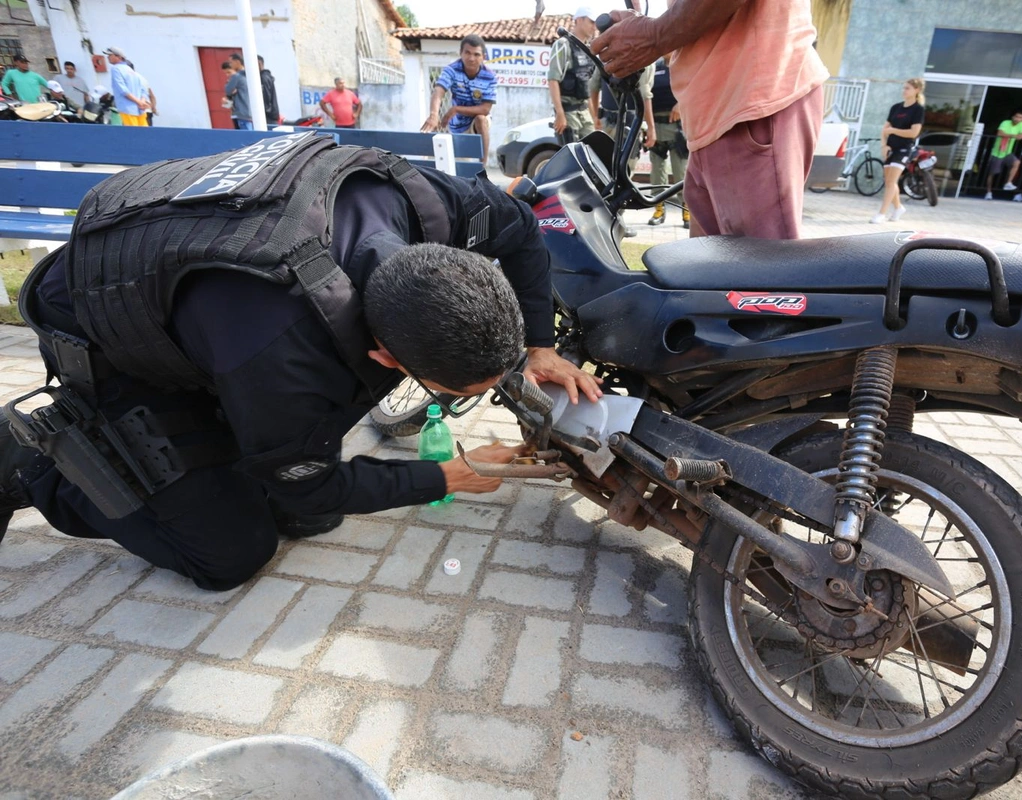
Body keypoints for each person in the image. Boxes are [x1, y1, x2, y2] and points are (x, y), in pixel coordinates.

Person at [0, 136, 601, 591]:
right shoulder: (283, 346)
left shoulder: (432, 208)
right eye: (455, 391)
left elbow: (522, 228)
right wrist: (451, 475)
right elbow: (311, 487)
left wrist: (538, 346)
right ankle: (28, 465)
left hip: (208, 314)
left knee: (295, 498)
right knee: (232, 553)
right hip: (103, 328)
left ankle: (228, 446)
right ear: (387, 354)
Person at [590, 0, 829, 239]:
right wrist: (646, 29)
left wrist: (653, 35)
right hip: (716, 116)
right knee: (710, 269)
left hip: (750, 103)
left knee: (760, 269)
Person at [421, 35, 497, 159]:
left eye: (477, 54)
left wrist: (455, 109)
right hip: (457, 125)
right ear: (460, 53)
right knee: (460, 169)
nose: (471, 58)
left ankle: (482, 165)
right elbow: (438, 91)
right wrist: (434, 115)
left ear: (483, 57)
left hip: (476, 121)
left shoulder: (490, 76)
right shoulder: (451, 70)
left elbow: (485, 109)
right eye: (467, 53)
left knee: (481, 119)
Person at [588, 53, 654, 174]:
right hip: (629, 123)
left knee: (604, 169)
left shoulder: (606, 55)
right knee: (625, 170)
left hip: (607, 120)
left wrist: (596, 115)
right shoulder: (644, 55)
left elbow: (593, 86)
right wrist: (651, 127)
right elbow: (645, 95)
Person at [871, 78, 925, 224]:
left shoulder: (918, 110)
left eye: (907, 88)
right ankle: (899, 207)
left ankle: (881, 214)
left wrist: (894, 130)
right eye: (903, 88)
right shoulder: (896, 107)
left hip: (904, 149)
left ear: (917, 90)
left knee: (891, 181)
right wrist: (884, 146)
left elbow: (913, 133)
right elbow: (884, 130)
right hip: (891, 148)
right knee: (889, 181)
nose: (904, 91)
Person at [645, 56, 688, 228]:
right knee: (657, 171)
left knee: (681, 171)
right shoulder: (654, 67)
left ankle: (687, 210)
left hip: (677, 127)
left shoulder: (685, 64)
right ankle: (659, 209)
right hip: (656, 126)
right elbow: (644, 93)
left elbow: (695, 88)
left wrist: (680, 103)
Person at [547, 8, 599, 144]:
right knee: (572, 157)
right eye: (591, 22)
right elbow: (553, 80)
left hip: (584, 112)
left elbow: (587, 87)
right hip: (568, 112)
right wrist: (560, 114)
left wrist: (594, 118)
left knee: (592, 152)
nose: (594, 27)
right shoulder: (562, 45)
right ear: (579, 20)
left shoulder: (588, 49)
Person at [984, 111, 1022, 200]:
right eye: (1016, 117)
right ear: (1013, 117)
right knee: (992, 173)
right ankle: (988, 192)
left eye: (1020, 118)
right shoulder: (1005, 122)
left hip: (1008, 152)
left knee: (1017, 163)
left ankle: (1008, 183)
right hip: (998, 152)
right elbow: (999, 133)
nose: (1018, 119)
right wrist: (1014, 136)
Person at [104, 46, 150, 126]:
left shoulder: (116, 69)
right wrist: (142, 102)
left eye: (110, 55)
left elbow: (122, 90)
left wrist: (138, 102)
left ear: (118, 57)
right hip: (140, 110)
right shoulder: (131, 70)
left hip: (127, 109)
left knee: (132, 135)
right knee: (144, 135)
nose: (108, 57)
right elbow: (143, 90)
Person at [225, 53, 252, 130]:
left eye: (231, 62)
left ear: (237, 62)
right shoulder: (250, 75)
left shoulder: (236, 77)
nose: (230, 65)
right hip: (250, 113)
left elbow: (228, 90)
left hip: (241, 113)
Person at [258, 55, 281, 126]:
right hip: (270, 115)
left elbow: (266, 97)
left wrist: (264, 111)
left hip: (268, 117)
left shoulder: (263, 78)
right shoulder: (266, 77)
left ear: (259, 64)